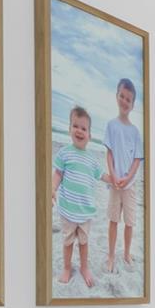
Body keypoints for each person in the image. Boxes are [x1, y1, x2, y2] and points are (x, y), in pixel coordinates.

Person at [52, 106, 106, 288]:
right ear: (69, 129)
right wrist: (52, 189)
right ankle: (67, 268)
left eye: (84, 128)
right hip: (68, 209)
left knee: (84, 242)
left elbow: (102, 175)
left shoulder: (92, 159)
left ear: (90, 135)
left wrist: (114, 180)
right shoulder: (64, 153)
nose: (79, 131)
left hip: (85, 211)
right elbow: (58, 174)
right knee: (68, 242)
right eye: (75, 126)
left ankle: (84, 267)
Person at [103, 77, 142, 274]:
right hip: (114, 183)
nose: (125, 101)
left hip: (130, 184)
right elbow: (109, 153)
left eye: (129, 99)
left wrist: (127, 178)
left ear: (133, 104)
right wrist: (113, 174)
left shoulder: (135, 132)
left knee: (129, 222)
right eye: (122, 96)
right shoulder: (111, 125)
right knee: (113, 220)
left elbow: (137, 159)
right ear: (117, 96)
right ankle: (111, 255)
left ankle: (126, 253)